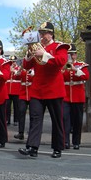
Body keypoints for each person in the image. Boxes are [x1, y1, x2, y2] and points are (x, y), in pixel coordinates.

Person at [18, 22, 69, 158]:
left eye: (44, 33)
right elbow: (27, 66)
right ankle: (32, 147)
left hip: (54, 89)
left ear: (51, 34)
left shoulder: (59, 46)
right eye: (40, 33)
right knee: (35, 118)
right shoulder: (37, 47)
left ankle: (58, 148)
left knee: (56, 120)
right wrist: (29, 54)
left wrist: (44, 54)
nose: (41, 36)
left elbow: (61, 61)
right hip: (38, 89)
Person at [62, 44, 89, 150]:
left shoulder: (81, 65)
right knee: (65, 119)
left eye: (71, 54)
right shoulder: (62, 66)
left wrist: (74, 69)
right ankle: (65, 141)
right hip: (65, 96)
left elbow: (86, 76)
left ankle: (76, 142)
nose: (70, 56)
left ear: (75, 55)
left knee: (77, 121)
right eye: (68, 54)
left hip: (78, 96)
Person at [14, 67, 34, 140]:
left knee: (33, 114)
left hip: (32, 93)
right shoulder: (23, 69)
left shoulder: (35, 67)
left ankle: (32, 132)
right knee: (21, 113)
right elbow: (16, 77)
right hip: (23, 93)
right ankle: (20, 132)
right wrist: (18, 71)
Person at [6, 56, 21, 126]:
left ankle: (16, 120)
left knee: (16, 106)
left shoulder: (19, 68)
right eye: (11, 61)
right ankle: (7, 119)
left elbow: (19, 75)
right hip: (8, 90)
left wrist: (14, 71)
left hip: (16, 90)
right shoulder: (7, 69)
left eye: (14, 61)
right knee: (7, 106)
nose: (12, 63)